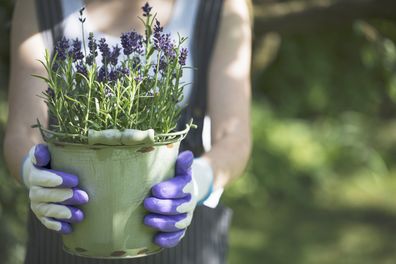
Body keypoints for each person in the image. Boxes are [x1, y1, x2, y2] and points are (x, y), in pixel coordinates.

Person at [4, 0, 252, 263]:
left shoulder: (219, 6)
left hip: (177, 239)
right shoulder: (41, 5)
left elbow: (234, 137)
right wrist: (33, 172)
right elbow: (22, 130)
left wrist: (198, 181)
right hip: (66, 227)